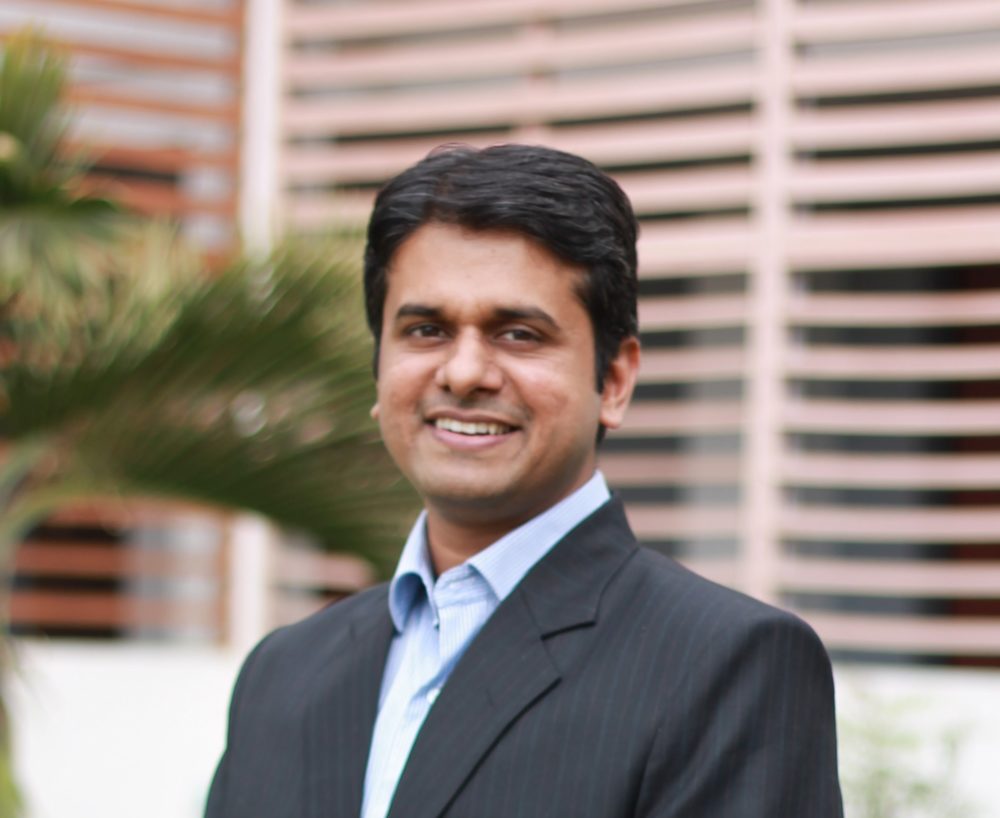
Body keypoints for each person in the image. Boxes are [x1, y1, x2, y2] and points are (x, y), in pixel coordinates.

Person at [205, 144, 843, 818]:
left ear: (614, 381)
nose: (463, 373)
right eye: (426, 330)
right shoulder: (283, 674)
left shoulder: (727, 665)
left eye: (517, 334)